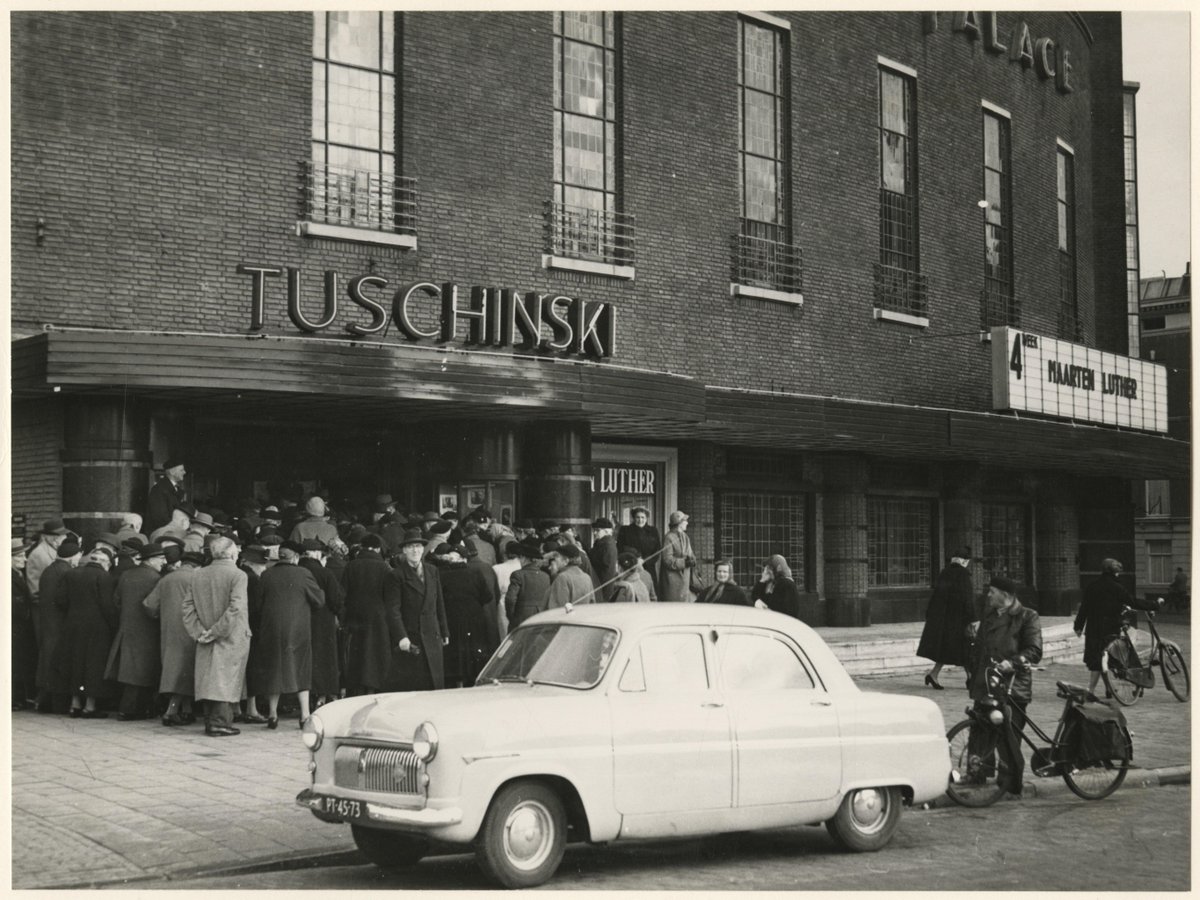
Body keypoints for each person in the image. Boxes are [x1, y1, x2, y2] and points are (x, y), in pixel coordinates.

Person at [968, 574, 1043, 798]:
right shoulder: (989, 615)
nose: (988, 596)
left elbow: (1034, 650)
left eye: (992, 592)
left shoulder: (1027, 616)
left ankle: (1008, 783)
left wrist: (1013, 662)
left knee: (1008, 735)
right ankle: (977, 773)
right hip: (987, 682)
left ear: (1006, 595)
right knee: (979, 729)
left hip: (1012, 684)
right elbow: (979, 648)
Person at [183, 536, 251, 737]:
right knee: (226, 679)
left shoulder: (197, 574)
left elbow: (187, 606)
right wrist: (216, 631)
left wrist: (199, 632)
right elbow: (236, 607)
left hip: (204, 634)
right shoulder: (238, 575)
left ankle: (211, 721)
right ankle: (220, 723)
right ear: (231, 552)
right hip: (231, 634)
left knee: (209, 677)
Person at [252, 541, 324, 728]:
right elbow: (319, 600)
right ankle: (305, 715)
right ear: (296, 557)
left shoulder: (266, 575)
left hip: (271, 629)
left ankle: (272, 714)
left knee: (273, 668)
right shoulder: (304, 574)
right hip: (298, 630)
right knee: (301, 668)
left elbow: (258, 605)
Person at [104, 543, 167, 720]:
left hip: (126, 628)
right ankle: (133, 710)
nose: (163, 562)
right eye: (160, 558)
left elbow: (116, 601)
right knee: (143, 671)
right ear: (150, 560)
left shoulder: (126, 575)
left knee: (129, 670)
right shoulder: (156, 578)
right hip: (148, 630)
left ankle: (130, 708)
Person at [58, 546, 119, 718]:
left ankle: (75, 704)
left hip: (73, 625)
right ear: (106, 563)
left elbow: (61, 600)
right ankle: (90, 706)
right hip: (97, 628)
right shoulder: (104, 577)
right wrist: (114, 626)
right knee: (93, 665)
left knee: (75, 663)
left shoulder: (71, 574)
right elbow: (108, 607)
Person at [388, 528, 449, 692]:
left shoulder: (432, 570)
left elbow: (439, 603)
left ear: (423, 549)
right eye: (410, 547)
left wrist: (444, 631)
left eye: (418, 546)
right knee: (416, 686)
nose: (415, 550)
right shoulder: (396, 575)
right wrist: (402, 637)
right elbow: (393, 610)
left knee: (435, 685)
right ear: (404, 550)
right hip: (412, 638)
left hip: (433, 634)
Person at [341, 534, 397, 695]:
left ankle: (357, 690)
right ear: (378, 549)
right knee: (376, 655)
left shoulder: (351, 566)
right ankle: (373, 688)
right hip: (379, 619)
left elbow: (342, 594)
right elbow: (390, 597)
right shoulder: (385, 568)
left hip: (354, 617)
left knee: (357, 655)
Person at [431, 543, 492, 688]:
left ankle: (457, 684)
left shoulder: (441, 575)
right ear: (465, 559)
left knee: (455, 656)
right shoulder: (476, 573)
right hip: (474, 620)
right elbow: (487, 597)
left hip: (451, 620)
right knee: (473, 656)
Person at [916, 547, 975, 690]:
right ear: (965, 561)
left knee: (949, 648)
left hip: (944, 619)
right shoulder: (963, 575)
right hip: (959, 619)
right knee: (964, 648)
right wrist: (973, 618)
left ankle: (936, 675)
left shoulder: (944, 572)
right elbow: (967, 599)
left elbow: (937, 596)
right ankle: (970, 678)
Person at [1074, 558, 1134, 696]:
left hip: (1094, 628)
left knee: (1099, 658)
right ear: (1115, 572)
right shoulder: (1117, 587)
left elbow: (1084, 608)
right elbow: (1132, 601)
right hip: (1110, 628)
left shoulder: (1092, 586)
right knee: (1105, 658)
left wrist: (1078, 626)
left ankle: (1108, 688)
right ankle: (1091, 690)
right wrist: (1154, 604)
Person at [35, 538, 81, 713]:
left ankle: (42, 701)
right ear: (72, 557)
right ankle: (56, 704)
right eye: (78, 556)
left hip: (48, 622)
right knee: (58, 662)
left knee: (47, 659)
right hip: (60, 624)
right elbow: (66, 600)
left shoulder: (49, 570)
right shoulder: (67, 572)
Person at [298, 539, 344, 709]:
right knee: (324, 658)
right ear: (317, 554)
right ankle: (323, 694)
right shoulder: (325, 573)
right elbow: (336, 599)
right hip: (323, 622)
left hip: (300, 621)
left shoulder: (297, 571)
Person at [12, 539, 39, 711]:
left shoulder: (17, 574)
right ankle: (13, 699)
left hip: (20, 626)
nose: (25, 559)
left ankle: (18, 697)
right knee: (14, 663)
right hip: (15, 626)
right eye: (20, 556)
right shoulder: (8, 576)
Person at [505, 539, 551, 630]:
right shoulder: (546, 576)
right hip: (540, 616)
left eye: (520, 557)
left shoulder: (518, 574)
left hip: (521, 616)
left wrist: (512, 616)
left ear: (524, 558)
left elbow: (510, 599)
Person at [659, 510, 697, 602]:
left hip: (685, 581)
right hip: (672, 582)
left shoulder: (685, 536)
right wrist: (684, 562)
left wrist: (693, 560)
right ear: (679, 523)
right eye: (685, 521)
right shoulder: (669, 537)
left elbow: (690, 554)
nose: (687, 523)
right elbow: (667, 560)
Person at [544, 541, 595, 609]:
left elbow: (557, 607)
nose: (555, 560)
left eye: (557, 557)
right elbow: (592, 603)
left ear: (566, 561)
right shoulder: (586, 577)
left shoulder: (562, 577)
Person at [618, 507, 661, 584]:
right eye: (637, 517)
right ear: (633, 518)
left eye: (642, 517)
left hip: (648, 568)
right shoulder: (625, 530)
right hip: (630, 568)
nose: (640, 520)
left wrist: (644, 561)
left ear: (646, 518)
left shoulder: (653, 531)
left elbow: (657, 551)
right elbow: (620, 548)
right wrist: (635, 560)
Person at [145, 458, 189, 533]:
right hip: (163, 534)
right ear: (172, 472)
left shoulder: (176, 489)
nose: (184, 472)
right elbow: (160, 518)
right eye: (181, 470)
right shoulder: (158, 490)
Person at [588, 517, 619, 601]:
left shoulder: (606, 545)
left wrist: (602, 591)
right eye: (594, 530)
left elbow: (607, 571)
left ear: (606, 531)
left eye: (598, 530)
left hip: (602, 586)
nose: (594, 533)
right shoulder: (602, 543)